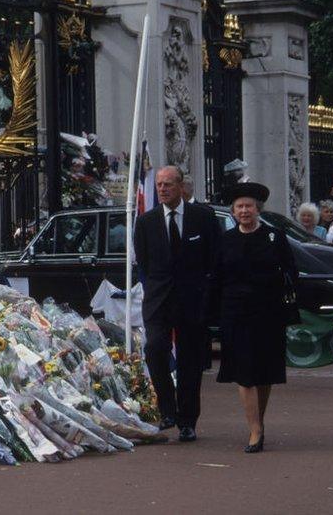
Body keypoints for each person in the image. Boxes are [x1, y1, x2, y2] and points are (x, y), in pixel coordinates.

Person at [133, 165, 220, 442]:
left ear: (181, 186)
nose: (162, 189)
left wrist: (204, 292)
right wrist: (153, 288)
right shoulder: (146, 222)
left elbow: (213, 258)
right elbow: (144, 263)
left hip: (191, 300)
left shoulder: (202, 218)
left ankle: (187, 420)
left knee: (190, 362)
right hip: (159, 300)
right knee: (155, 347)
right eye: (159, 184)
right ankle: (167, 410)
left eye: (168, 184)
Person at [211, 182, 296, 454]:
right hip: (236, 313)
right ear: (233, 211)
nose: (244, 211)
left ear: (257, 209)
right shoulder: (225, 240)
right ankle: (255, 430)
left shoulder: (274, 237)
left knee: (265, 371)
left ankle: (258, 420)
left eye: (248, 206)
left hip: (268, 312)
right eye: (239, 207)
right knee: (244, 373)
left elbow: (291, 272)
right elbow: (217, 277)